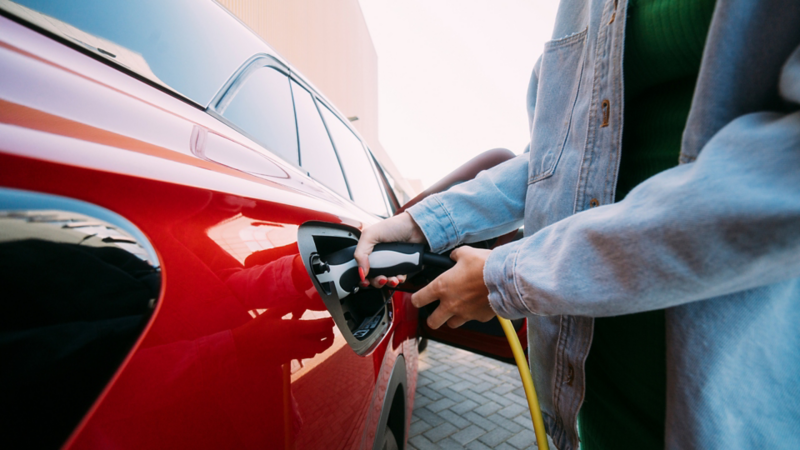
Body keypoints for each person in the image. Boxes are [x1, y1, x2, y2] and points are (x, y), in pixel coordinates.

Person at [354, 0, 800, 449]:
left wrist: (510, 274)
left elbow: (781, 182)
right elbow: (552, 161)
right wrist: (422, 223)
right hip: (585, 411)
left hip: (724, 419)